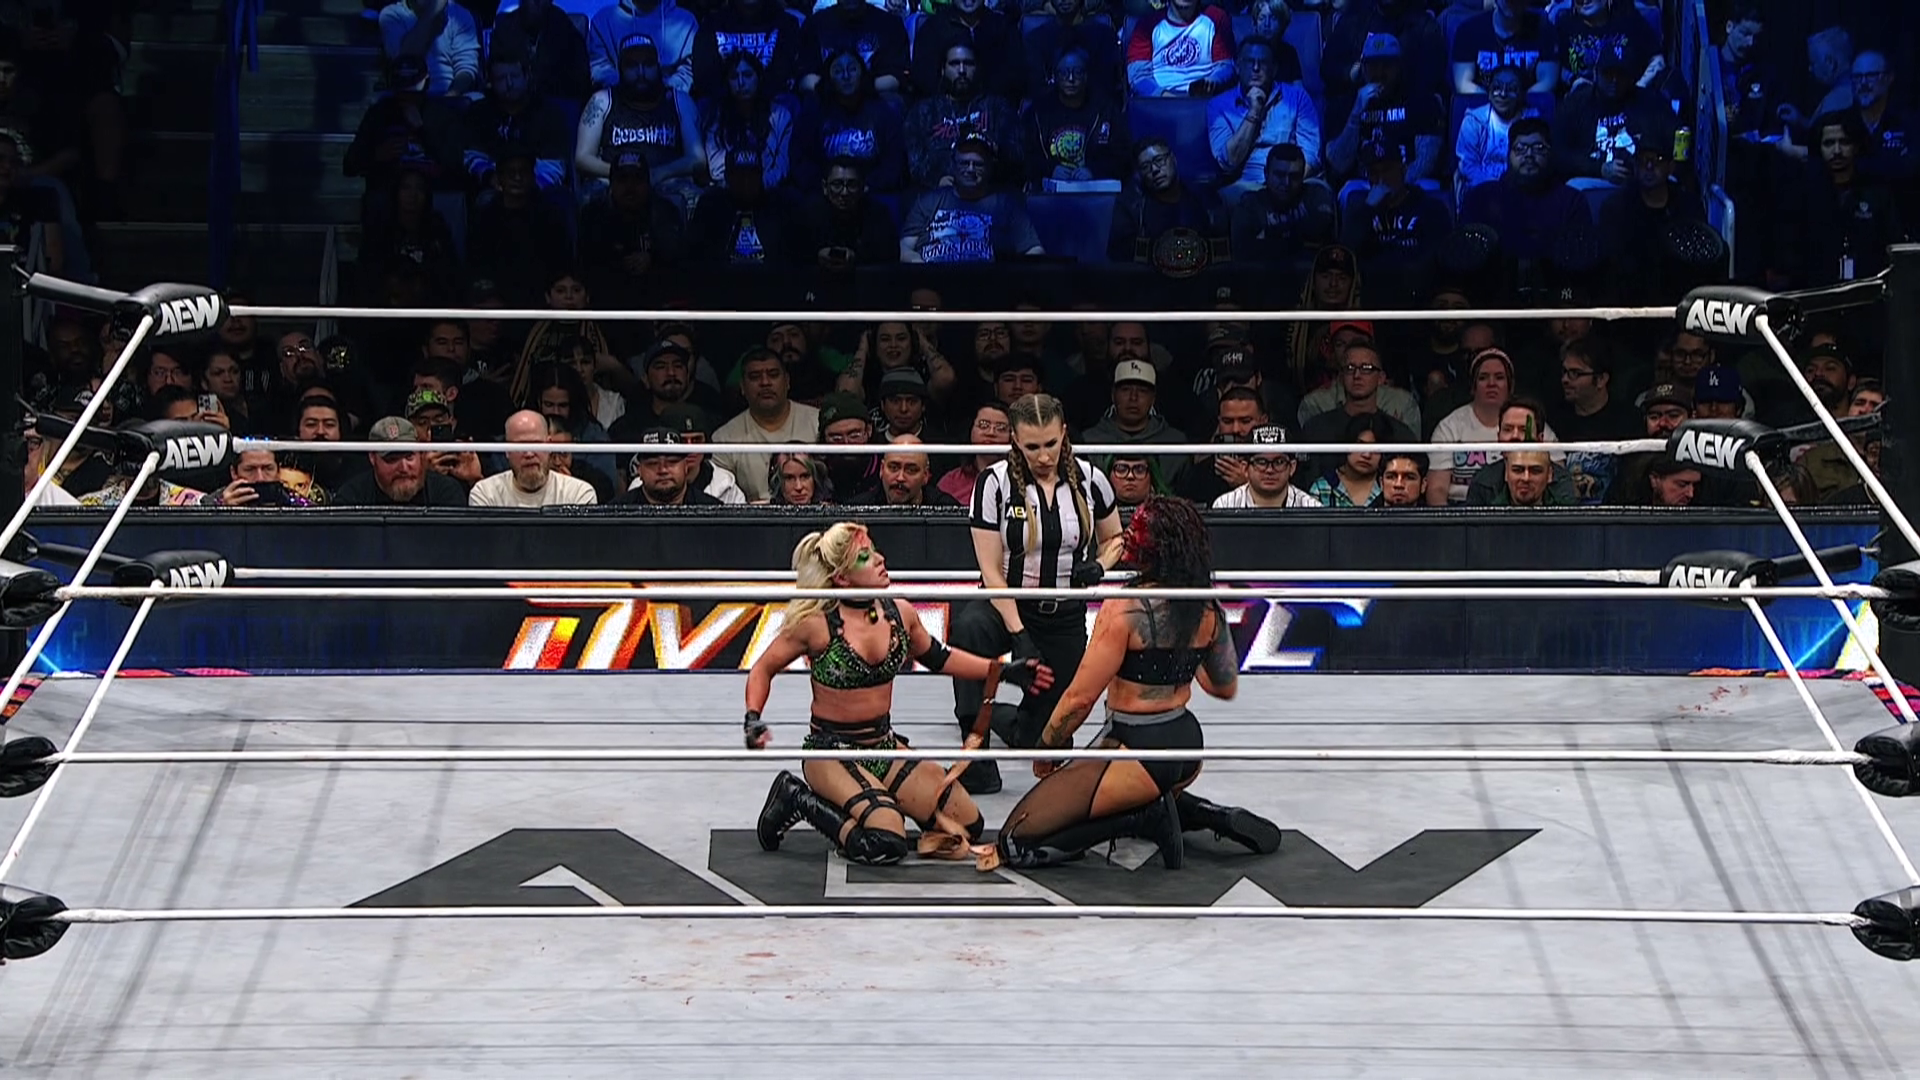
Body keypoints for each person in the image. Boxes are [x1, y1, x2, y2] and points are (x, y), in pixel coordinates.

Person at [988, 496, 1281, 871]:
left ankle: (1142, 818)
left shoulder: (1124, 608)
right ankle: (1208, 814)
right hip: (1186, 745)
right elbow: (1223, 686)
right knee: (1126, 794)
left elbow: (1079, 698)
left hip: (1135, 748)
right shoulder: (1206, 607)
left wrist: (1046, 746)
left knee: (1016, 841)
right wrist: (1181, 656)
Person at [748, 523, 1054, 866]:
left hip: (883, 745)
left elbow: (940, 657)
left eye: (874, 550)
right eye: (865, 557)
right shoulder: (817, 624)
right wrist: (752, 717)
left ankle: (877, 799)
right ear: (842, 578)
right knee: (885, 842)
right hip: (831, 751)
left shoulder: (899, 614)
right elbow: (763, 669)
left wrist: (1002, 671)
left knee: (969, 824)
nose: (880, 559)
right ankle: (796, 797)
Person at [952, 392, 1122, 795]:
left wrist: (1101, 565)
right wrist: (1019, 635)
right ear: (1015, 439)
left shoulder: (1091, 479)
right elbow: (990, 570)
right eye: (1031, 447)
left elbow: (1116, 538)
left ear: (1064, 433)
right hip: (1004, 606)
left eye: (1050, 444)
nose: (1043, 456)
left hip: (1063, 614)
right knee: (969, 629)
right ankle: (973, 753)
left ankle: (1002, 717)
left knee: (1041, 738)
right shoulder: (993, 483)